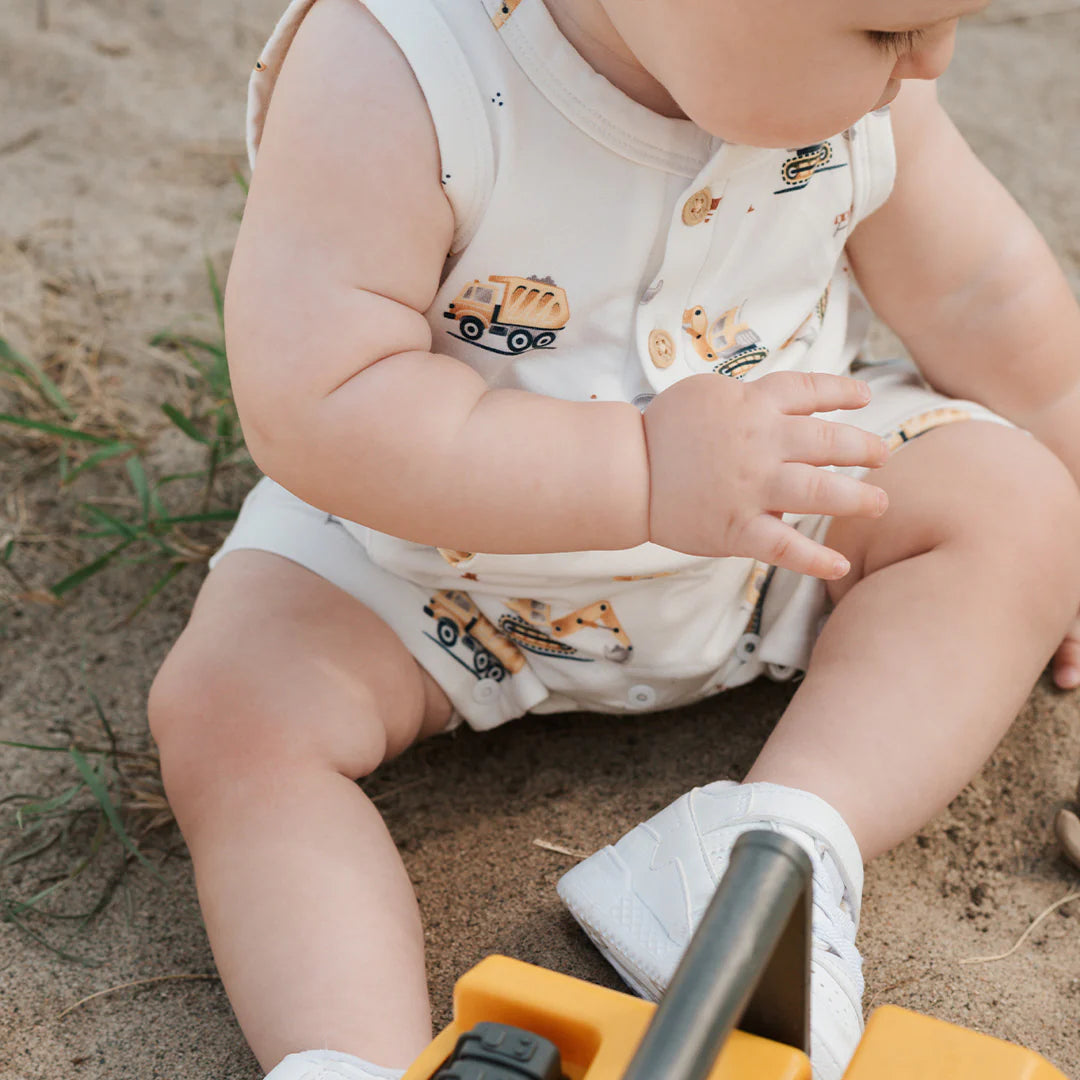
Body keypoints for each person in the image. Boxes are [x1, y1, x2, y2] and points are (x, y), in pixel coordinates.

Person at [146, 0, 1080, 1077]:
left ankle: (767, 853)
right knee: (233, 716)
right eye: (885, 30)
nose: (930, 59)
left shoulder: (870, 95)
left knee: (1017, 506)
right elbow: (326, 404)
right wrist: (637, 468)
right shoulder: (397, 68)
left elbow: (981, 293)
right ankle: (350, 1052)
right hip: (431, 567)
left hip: (771, 530)